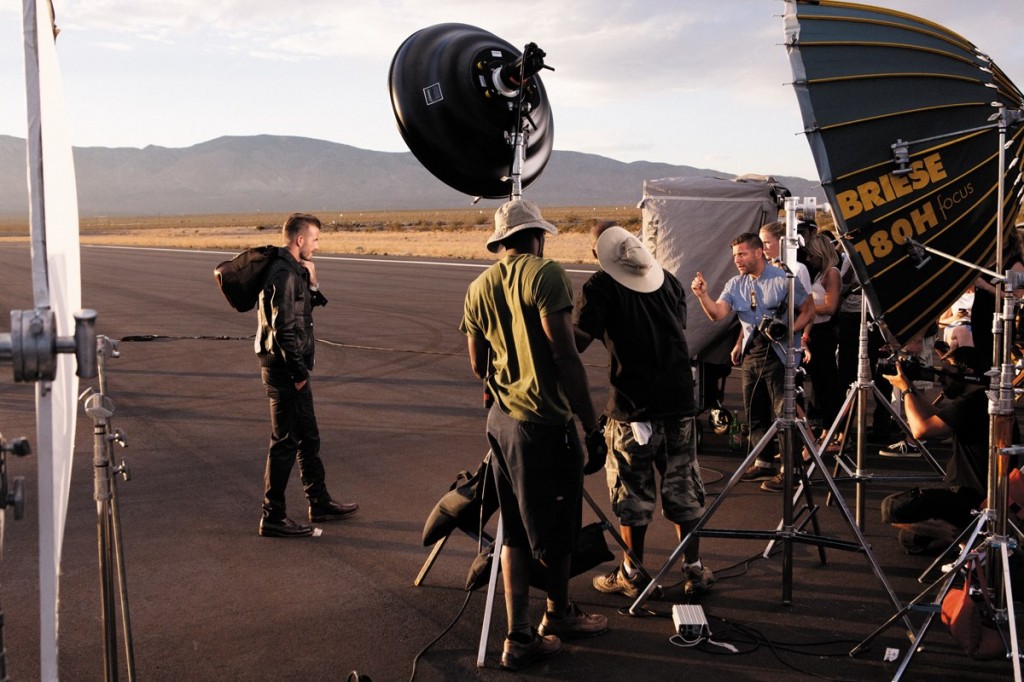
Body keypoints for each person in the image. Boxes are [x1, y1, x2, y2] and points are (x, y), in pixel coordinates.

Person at [460, 199, 608, 672]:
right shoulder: (546, 274)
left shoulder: (478, 287)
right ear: (537, 236)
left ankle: (518, 633)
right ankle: (557, 616)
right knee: (558, 534)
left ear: (501, 242)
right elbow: (565, 355)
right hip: (544, 424)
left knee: (515, 531)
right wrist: (590, 424)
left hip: (502, 424)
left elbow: (478, 365)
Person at [572, 222, 713, 600]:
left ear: (598, 255)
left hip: (633, 409)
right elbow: (676, 327)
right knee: (684, 489)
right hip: (679, 403)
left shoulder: (600, 287)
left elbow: (578, 343)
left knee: (632, 495)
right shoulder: (667, 281)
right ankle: (694, 570)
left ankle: (632, 572)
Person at [256, 213, 358, 538]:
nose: (317, 244)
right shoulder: (283, 273)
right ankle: (272, 516)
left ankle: (319, 501)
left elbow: (303, 312)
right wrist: (298, 372)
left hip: (292, 367)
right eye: (314, 239)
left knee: (308, 437)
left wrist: (312, 283)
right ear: (299, 239)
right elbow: (283, 327)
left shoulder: (295, 271)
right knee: (284, 442)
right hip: (286, 370)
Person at [691, 232, 814, 488]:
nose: (737, 260)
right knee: (754, 413)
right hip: (752, 356)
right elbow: (718, 314)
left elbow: (808, 310)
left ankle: (791, 471)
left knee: (784, 414)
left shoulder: (783, 279)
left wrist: (790, 331)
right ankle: (764, 463)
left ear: (758, 253)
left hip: (780, 355)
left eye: (742, 254)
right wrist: (703, 296)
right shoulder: (735, 284)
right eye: (735, 255)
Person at [879, 346, 995, 554]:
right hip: (974, 495)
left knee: (893, 507)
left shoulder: (972, 402)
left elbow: (920, 430)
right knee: (910, 538)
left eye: (946, 374)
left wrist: (905, 389)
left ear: (968, 373)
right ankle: (967, 532)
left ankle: (966, 535)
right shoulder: (982, 399)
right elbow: (936, 415)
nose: (942, 381)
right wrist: (911, 389)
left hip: (971, 497)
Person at [801, 232, 842, 439]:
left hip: (824, 332)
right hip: (814, 330)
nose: (809, 260)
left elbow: (830, 306)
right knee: (818, 383)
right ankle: (828, 427)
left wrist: (807, 308)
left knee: (827, 383)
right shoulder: (820, 273)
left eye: (812, 255)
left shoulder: (831, 273)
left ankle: (834, 429)